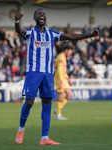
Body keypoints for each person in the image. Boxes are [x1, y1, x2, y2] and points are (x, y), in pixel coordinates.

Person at [14, 8, 98, 145]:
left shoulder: (51, 34)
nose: (42, 15)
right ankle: (21, 129)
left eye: (44, 14)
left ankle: (44, 138)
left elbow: (71, 37)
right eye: (39, 14)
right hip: (33, 73)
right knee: (29, 102)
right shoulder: (30, 33)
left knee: (47, 104)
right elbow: (19, 31)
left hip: (48, 74)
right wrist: (17, 20)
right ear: (35, 18)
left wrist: (90, 35)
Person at [53, 44, 73, 120]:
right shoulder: (61, 57)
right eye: (70, 51)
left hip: (63, 79)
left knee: (69, 95)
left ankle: (58, 109)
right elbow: (59, 70)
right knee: (61, 96)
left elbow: (63, 71)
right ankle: (58, 115)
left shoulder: (64, 57)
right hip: (59, 79)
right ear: (66, 50)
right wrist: (61, 81)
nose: (71, 53)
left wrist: (68, 79)